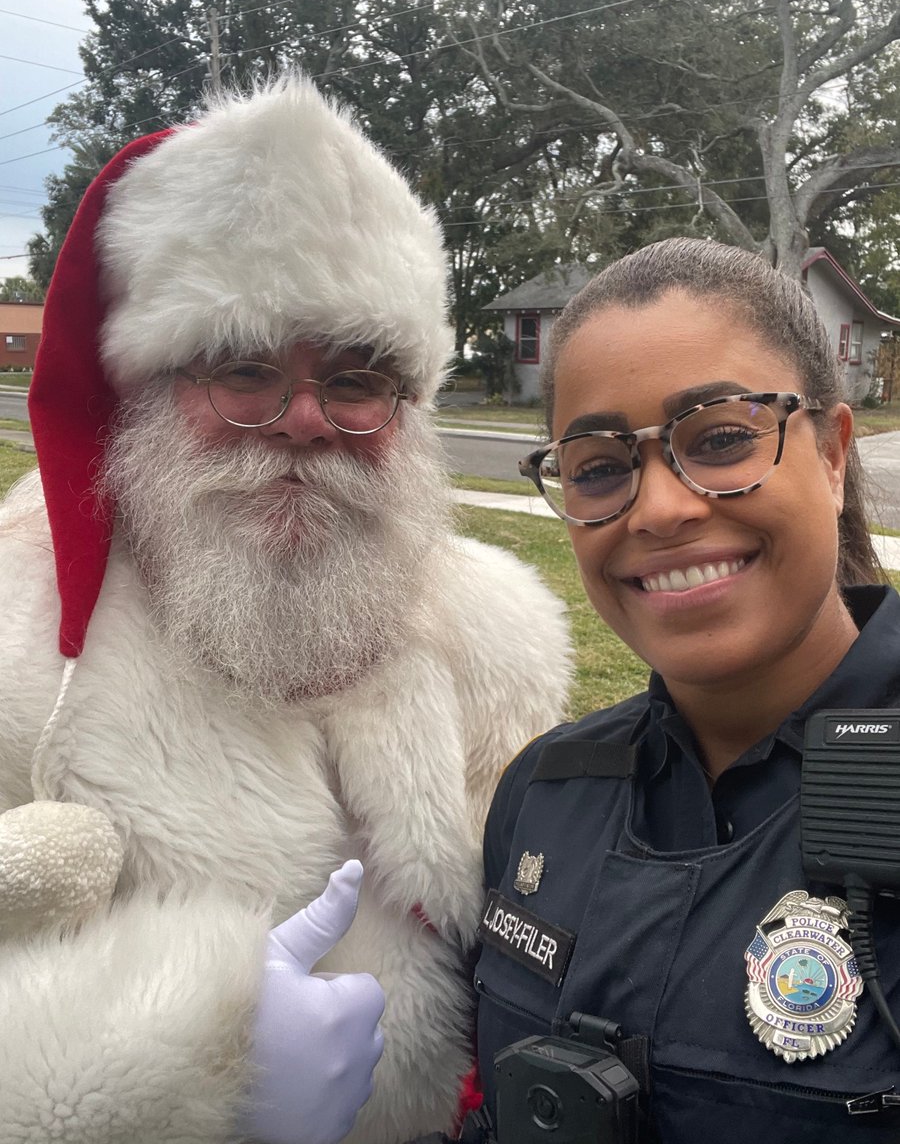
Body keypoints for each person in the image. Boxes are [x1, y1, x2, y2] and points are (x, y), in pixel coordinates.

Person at [0, 77, 572, 1144]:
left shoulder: (493, 627)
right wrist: (175, 1075)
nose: (305, 420)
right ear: (148, 393)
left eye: (357, 380)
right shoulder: (18, 628)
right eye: (246, 372)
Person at [473, 237, 900, 1143]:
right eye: (598, 466)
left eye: (721, 439)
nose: (660, 508)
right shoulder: (545, 794)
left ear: (830, 452)